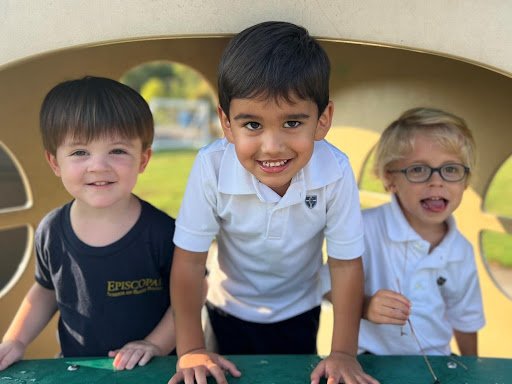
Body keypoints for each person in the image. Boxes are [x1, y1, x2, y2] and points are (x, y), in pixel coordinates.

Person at [169, 21, 378, 384]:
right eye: (252, 125)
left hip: (300, 308)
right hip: (228, 306)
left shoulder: (335, 170)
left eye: (293, 122)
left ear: (323, 120)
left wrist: (343, 352)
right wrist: (190, 349)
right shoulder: (212, 166)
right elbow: (189, 262)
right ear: (226, 123)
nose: (272, 146)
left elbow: (345, 264)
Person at [0, 76, 176, 371]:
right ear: (55, 162)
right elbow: (45, 290)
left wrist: (155, 344)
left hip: (151, 371)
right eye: (80, 152)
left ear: (143, 160)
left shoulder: (161, 232)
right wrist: (15, 341)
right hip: (77, 370)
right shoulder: (52, 230)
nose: (98, 166)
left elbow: (191, 296)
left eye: (117, 151)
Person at [359, 107, 485, 356]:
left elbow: (465, 319)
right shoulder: (366, 228)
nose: (436, 181)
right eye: (418, 169)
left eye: (451, 169)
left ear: (466, 181)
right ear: (389, 178)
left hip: (436, 362)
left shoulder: (460, 250)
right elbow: (327, 284)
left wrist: (472, 371)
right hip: (370, 364)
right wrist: (365, 306)